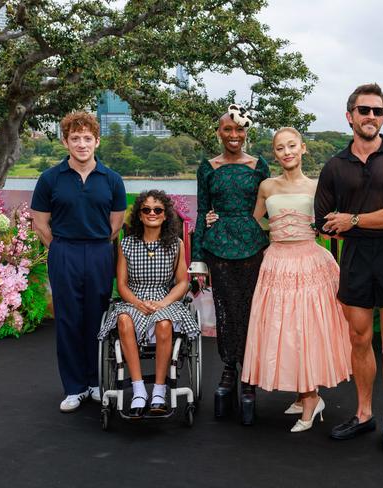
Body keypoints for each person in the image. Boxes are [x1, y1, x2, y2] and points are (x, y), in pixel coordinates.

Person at [314, 83, 383, 450]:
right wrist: (343, 224)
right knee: (359, 339)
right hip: (356, 259)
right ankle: (363, 414)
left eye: (377, 111)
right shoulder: (333, 166)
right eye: (364, 110)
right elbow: (323, 221)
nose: (370, 116)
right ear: (350, 117)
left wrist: (353, 220)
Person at [239, 127, 352, 432]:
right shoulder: (267, 186)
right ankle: (303, 396)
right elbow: (254, 219)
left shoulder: (318, 186)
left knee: (307, 329)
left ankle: (312, 397)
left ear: (303, 148)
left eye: (292, 146)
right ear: (274, 153)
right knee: (284, 329)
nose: (286, 152)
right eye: (279, 148)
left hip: (309, 263)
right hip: (276, 262)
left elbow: (332, 221)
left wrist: (309, 228)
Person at [31, 112, 126, 412]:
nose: (82, 144)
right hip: (64, 252)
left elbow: (115, 224)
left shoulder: (111, 179)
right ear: (65, 141)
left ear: (97, 141)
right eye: (75, 138)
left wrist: (93, 245)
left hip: (99, 251)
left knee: (98, 318)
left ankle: (97, 383)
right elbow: (40, 223)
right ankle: (74, 388)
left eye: (87, 138)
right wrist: (61, 249)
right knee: (69, 320)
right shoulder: (50, 179)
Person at [190, 105, 269, 424]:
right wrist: (197, 258)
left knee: (250, 311)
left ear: (246, 132)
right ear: (219, 133)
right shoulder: (207, 167)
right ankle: (228, 370)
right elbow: (201, 211)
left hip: (251, 245)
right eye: (227, 130)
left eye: (239, 130)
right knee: (225, 310)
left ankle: (248, 375)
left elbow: (269, 206)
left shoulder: (259, 165)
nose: (234, 136)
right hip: (218, 247)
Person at [97, 190, 200, 417]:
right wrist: (137, 303)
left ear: (165, 215)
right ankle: (139, 389)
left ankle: (159, 391)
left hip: (166, 299)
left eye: (157, 210)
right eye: (146, 210)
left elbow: (183, 282)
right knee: (123, 320)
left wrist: (163, 302)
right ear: (140, 216)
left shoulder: (176, 244)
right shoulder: (127, 245)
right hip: (133, 299)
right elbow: (122, 285)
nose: (152, 213)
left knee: (164, 323)